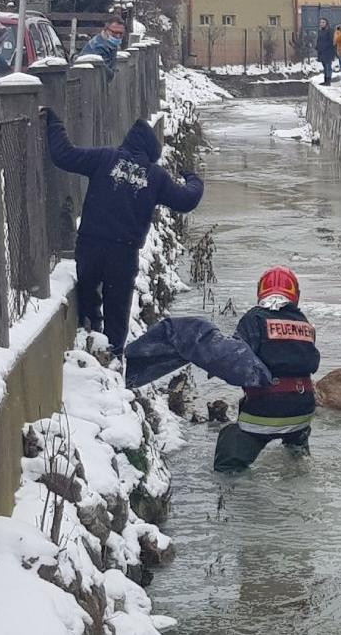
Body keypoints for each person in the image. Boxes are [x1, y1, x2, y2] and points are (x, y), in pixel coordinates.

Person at [44, 109, 204, 354]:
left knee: (88, 295)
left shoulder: (104, 158)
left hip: (90, 244)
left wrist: (54, 122)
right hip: (123, 251)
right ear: (152, 153)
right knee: (117, 309)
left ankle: (89, 337)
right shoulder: (155, 175)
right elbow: (186, 200)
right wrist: (193, 178)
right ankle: (115, 354)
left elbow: (63, 155)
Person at [213, 267, 321, 471]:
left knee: (228, 459)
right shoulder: (305, 323)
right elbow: (313, 363)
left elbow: (238, 360)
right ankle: (297, 460)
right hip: (302, 413)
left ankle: (237, 495)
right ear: (295, 296)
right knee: (296, 451)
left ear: (260, 293)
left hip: (264, 410)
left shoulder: (254, 319)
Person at [80, 15, 125, 80]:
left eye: (121, 33)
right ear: (106, 30)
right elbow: (105, 74)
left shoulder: (109, 43)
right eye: (115, 32)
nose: (118, 36)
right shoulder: (98, 46)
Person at [315, 18, 336, 86]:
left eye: (323, 22)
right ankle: (325, 80)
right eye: (321, 22)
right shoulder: (320, 31)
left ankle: (328, 81)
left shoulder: (330, 31)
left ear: (326, 23)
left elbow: (331, 41)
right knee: (324, 66)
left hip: (328, 52)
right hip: (321, 52)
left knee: (328, 66)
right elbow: (319, 40)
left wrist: (325, 48)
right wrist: (317, 47)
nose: (321, 24)